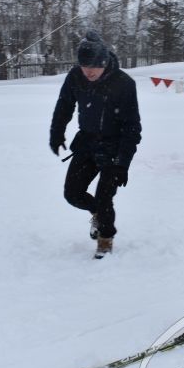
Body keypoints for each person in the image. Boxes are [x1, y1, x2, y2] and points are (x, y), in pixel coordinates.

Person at [49, 31, 141, 258]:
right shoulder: (76, 77)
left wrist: (123, 164)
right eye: (84, 65)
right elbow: (64, 106)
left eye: (94, 66)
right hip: (87, 143)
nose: (89, 71)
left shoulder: (124, 84)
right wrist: (56, 134)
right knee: (72, 193)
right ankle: (97, 215)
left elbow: (132, 128)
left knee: (104, 198)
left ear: (105, 62)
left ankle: (105, 241)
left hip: (114, 147)